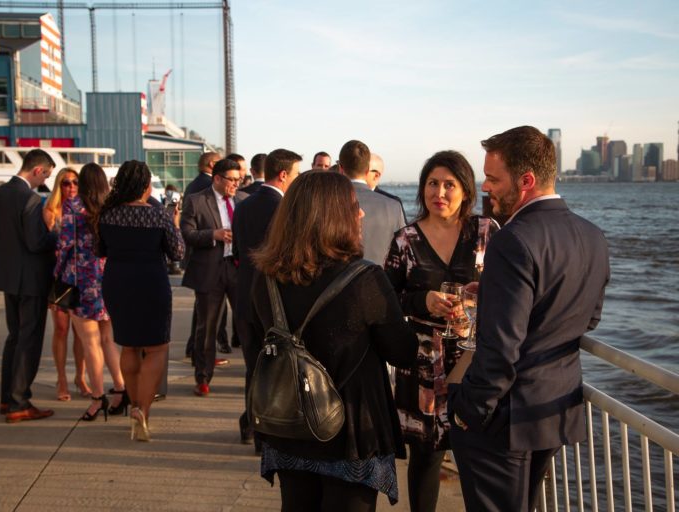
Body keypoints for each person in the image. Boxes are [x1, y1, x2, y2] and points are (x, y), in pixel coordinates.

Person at [448, 126, 610, 512]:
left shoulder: (512, 240)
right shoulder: (593, 236)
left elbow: (500, 349)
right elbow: (589, 319)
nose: (485, 187)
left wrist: (470, 410)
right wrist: (493, 296)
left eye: (493, 178)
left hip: (503, 418)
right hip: (553, 407)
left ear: (526, 181)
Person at [250, 171, 418, 511]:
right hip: (351, 429)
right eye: (353, 206)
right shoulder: (365, 279)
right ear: (332, 216)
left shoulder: (266, 278)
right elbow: (402, 352)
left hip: (288, 422)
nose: (361, 213)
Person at [384, 150, 498, 512]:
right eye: (432, 183)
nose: (440, 192)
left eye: (449, 184)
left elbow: (509, 289)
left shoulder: (486, 233)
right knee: (426, 455)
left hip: (475, 357)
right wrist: (424, 301)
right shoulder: (405, 240)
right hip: (422, 359)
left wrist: (476, 304)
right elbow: (388, 299)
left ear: (465, 190)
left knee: (479, 450)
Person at [97, 160, 185, 441]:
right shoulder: (158, 216)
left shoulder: (107, 214)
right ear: (146, 186)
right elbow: (178, 253)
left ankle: (134, 405)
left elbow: (99, 249)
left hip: (117, 283)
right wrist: (175, 224)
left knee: (129, 346)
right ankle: (142, 411)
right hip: (151, 283)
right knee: (156, 349)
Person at [232, 148, 301, 448]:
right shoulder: (286, 210)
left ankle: (250, 424)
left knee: (254, 366)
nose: (297, 179)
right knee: (275, 369)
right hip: (274, 302)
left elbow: (237, 252)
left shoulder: (243, 205)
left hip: (245, 298)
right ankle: (264, 431)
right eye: (296, 174)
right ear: (283, 175)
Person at [0, 148, 57, 423]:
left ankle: (7, 397)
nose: (44, 181)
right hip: (31, 279)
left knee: (14, 337)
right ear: (37, 170)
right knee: (29, 340)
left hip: (6, 277)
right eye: (46, 176)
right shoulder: (30, 199)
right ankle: (19, 402)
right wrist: (56, 234)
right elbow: (36, 242)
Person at [55, 163, 126, 422]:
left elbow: (65, 246)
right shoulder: (113, 208)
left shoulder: (73, 207)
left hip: (81, 281)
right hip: (108, 279)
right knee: (107, 339)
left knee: (90, 342)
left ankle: (98, 398)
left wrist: (56, 278)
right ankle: (121, 388)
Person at [180, 158, 249, 397]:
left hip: (237, 269)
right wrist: (213, 235)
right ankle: (202, 377)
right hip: (210, 269)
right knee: (207, 326)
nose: (236, 184)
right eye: (232, 180)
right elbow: (187, 233)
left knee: (246, 323)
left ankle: (253, 375)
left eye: (239, 180)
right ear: (217, 178)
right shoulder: (196, 201)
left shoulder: (244, 200)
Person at [43, 168, 91, 400]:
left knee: (81, 332)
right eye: (66, 182)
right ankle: (61, 379)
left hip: (82, 276)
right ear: (58, 185)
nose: (71, 186)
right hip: (60, 277)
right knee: (61, 329)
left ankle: (80, 377)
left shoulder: (85, 209)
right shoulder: (51, 211)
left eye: (75, 182)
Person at [339, 140, 405, 265]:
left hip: (338, 276)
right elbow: (403, 250)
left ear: (341, 169)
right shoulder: (393, 206)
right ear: (367, 170)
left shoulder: (327, 204)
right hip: (381, 276)